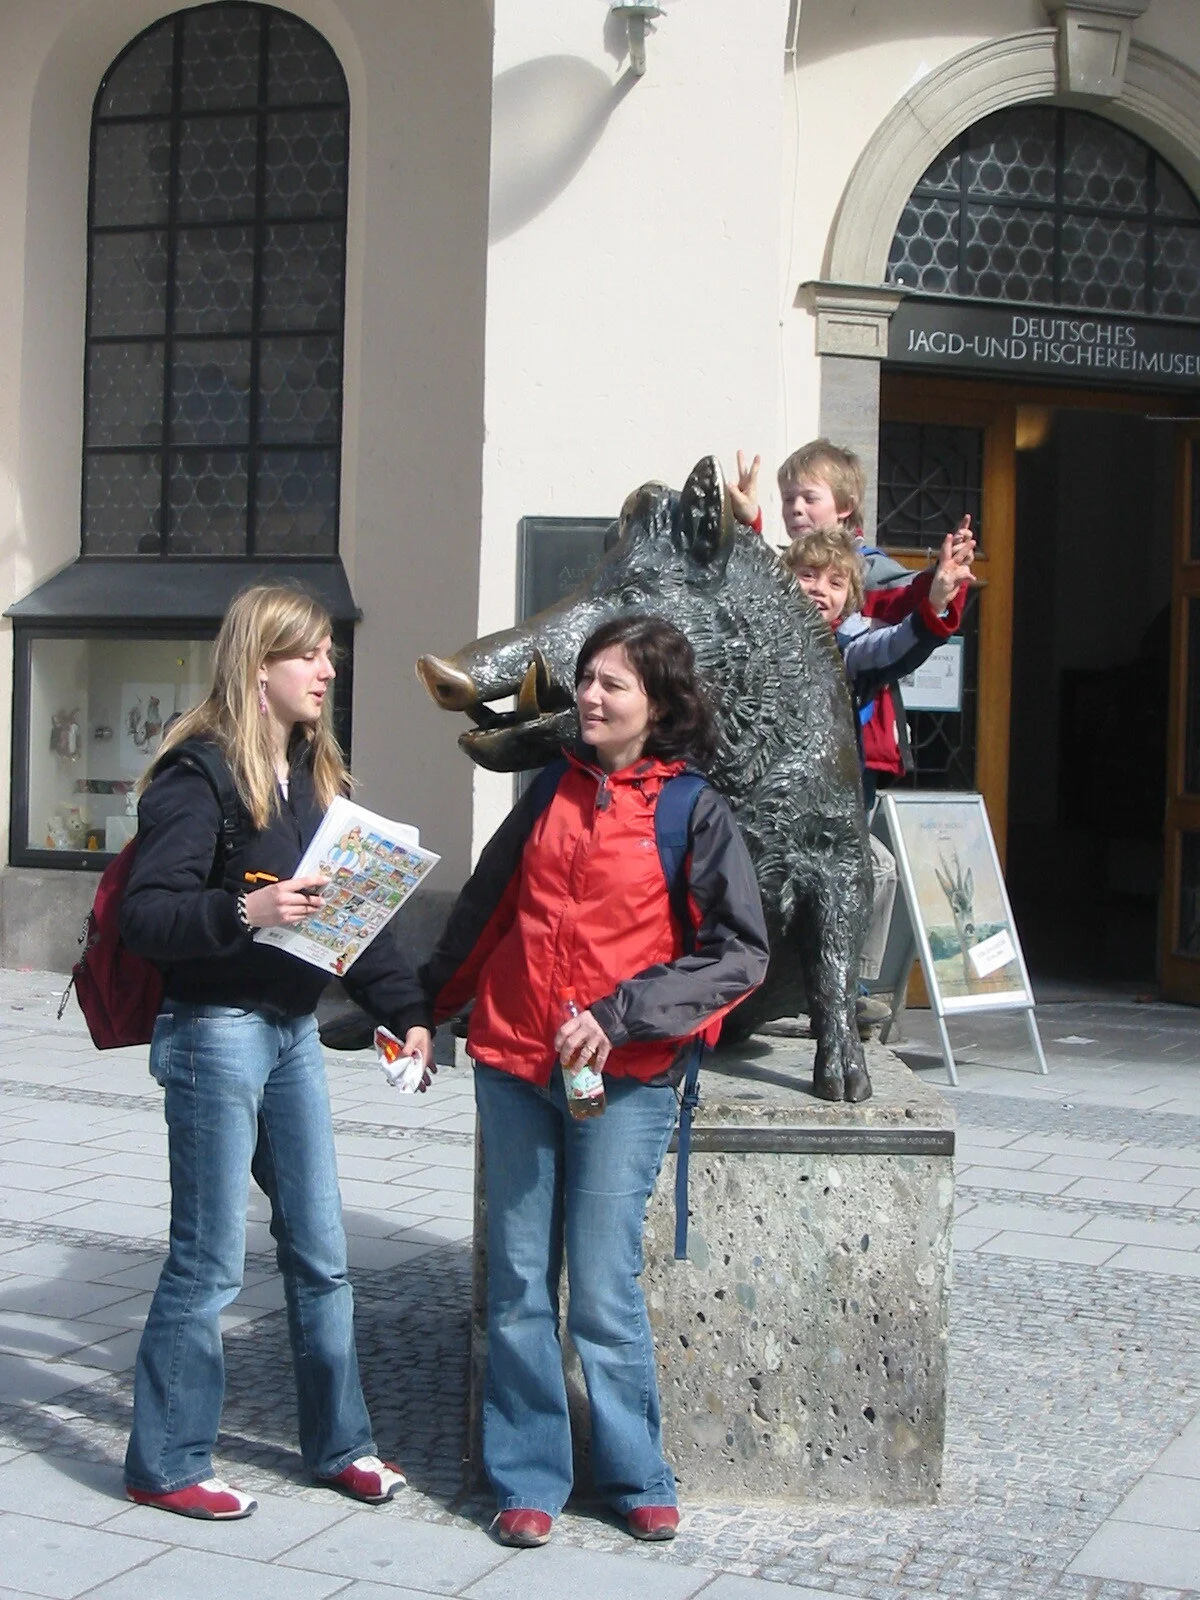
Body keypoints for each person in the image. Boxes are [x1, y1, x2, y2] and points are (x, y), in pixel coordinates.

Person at [420, 615, 769, 1549]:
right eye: (586, 680)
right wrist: (422, 1009)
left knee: (606, 1289)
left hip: (626, 1079)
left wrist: (619, 1018)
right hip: (514, 1061)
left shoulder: (695, 809)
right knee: (520, 1286)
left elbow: (738, 956)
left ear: (658, 704)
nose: (591, 696)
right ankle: (527, 1476)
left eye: (613, 684)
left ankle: (633, 1471)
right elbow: (488, 908)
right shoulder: (548, 793)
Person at [121, 584, 433, 1522]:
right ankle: (166, 1460)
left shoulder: (316, 774)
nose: (329, 671)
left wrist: (406, 1011)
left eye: (330, 655)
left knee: (322, 1252)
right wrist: (242, 912)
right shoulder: (199, 773)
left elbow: (359, 923)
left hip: (291, 1032)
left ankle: (341, 1447)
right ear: (260, 667)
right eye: (311, 656)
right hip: (214, 1030)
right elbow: (146, 913)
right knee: (210, 1259)